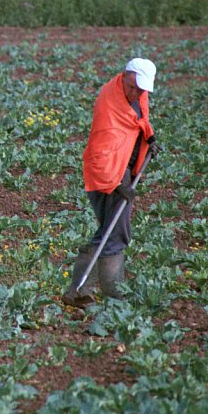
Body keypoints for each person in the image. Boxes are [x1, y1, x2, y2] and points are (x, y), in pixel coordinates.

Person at [63, 57, 158, 307]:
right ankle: (111, 293)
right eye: (132, 87)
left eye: (141, 90)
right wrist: (117, 186)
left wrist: (148, 140)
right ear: (124, 75)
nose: (136, 93)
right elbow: (101, 153)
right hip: (109, 175)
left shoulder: (135, 95)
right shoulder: (110, 106)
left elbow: (138, 123)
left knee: (110, 231)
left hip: (121, 170)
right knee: (115, 234)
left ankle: (80, 290)